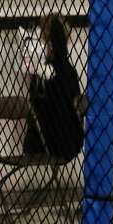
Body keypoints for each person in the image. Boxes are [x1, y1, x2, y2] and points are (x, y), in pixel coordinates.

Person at [22, 14, 84, 161]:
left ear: (47, 42)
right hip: (71, 143)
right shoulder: (70, 71)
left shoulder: (43, 73)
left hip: (44, 144)